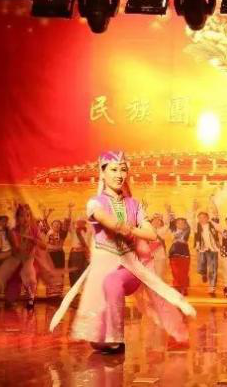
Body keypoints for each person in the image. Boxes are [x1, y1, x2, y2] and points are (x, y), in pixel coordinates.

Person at [49, 151, 195, 353]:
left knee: (113, 282)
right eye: (114, 169)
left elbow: (151, 234)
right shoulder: (95, 203)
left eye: (123, 170)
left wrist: (129, 229)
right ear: (102, 173)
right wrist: (121, 226)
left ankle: (116, 338)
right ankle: (106, 337)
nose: (119, 174)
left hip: (130, 266)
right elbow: (104, 219)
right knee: (97, 337)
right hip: (102, 266)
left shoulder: (134, 205)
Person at [192, 198, 221, 298]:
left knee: (213, 269)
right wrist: (194, 209)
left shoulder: (213, 224)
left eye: (204, 217)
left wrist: (213, 202)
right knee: (200, 267)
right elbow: (191, 219)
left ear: (208, 218)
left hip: (213, 249)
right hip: (201, 249)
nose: (202, 219)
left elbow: (216, 214)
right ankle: (203, 273)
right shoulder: (196, 226)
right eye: (200, 217)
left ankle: (212, 288)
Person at [165, 205, 192, 296]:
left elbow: (190, 219)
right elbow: (171, 220)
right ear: (176, 224)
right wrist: (169, 210)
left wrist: (192, 209)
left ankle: (184, 288)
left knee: (184, 271)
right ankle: (177, 287)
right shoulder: (173, 230)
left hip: (185, 253)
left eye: (182, 223)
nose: (180, 224)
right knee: (175, 271)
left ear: (186, 224)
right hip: (174, 252)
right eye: (178, 223)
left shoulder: (187, 230)